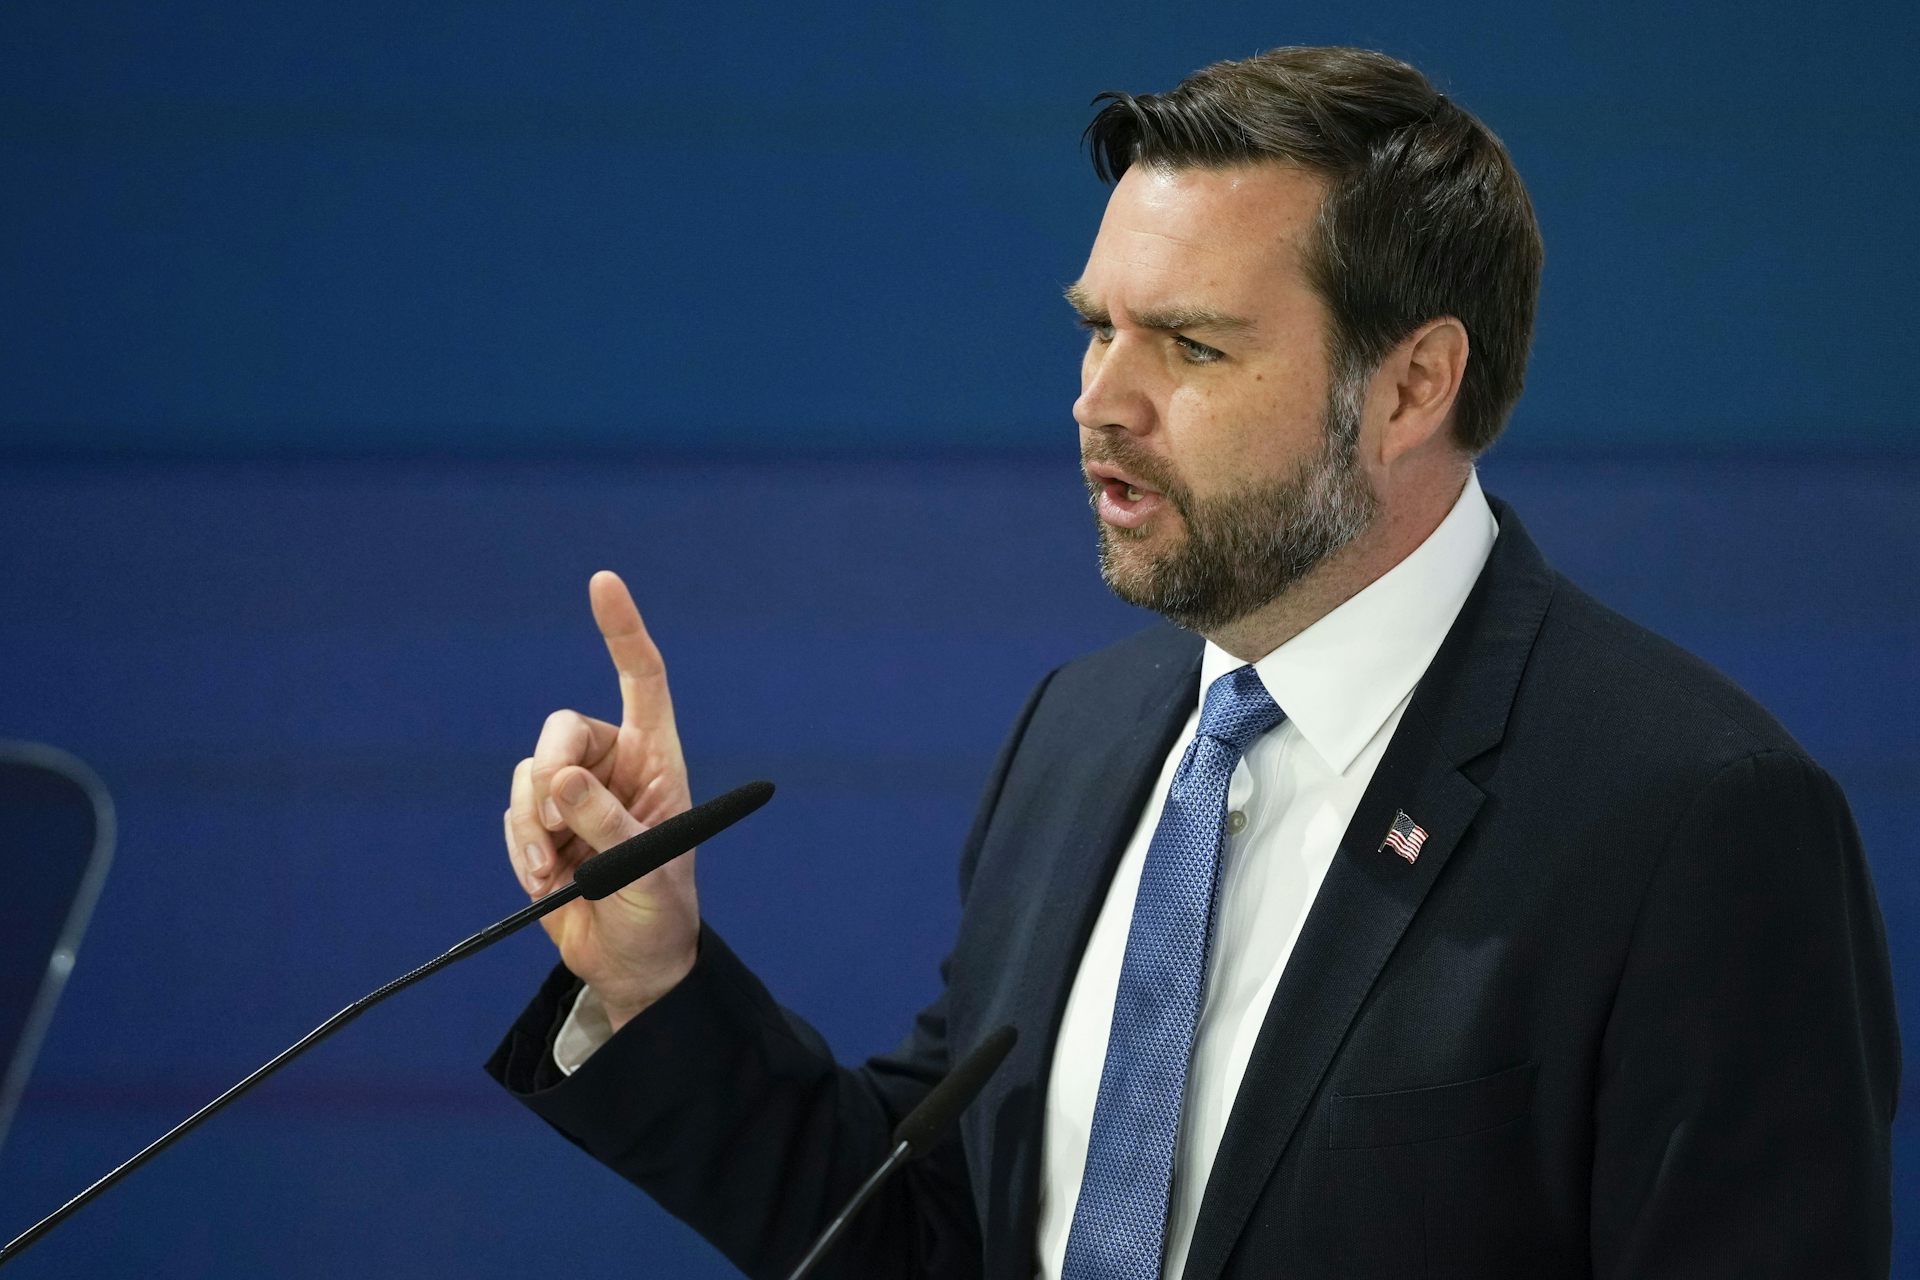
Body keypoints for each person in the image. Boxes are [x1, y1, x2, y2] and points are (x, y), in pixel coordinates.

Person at [486, 46, 1900, 1279]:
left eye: (1193, 347)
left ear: (1413, 384)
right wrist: (657, 984)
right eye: (1098, 329)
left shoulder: (1698, 820)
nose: (1098, 400)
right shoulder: (1083, 735)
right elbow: (934, 1231)